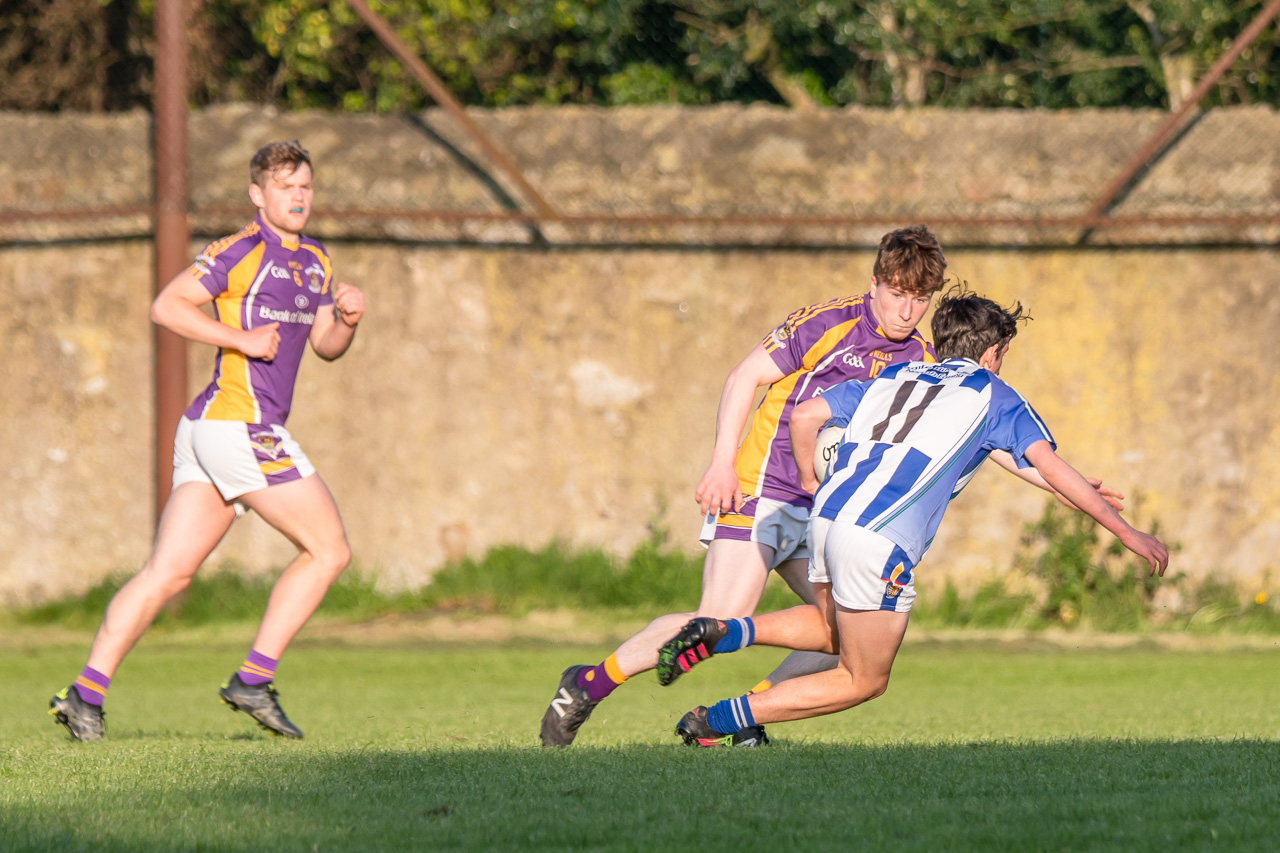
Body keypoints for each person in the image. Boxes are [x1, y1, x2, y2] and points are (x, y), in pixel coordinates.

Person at [653, 289, 1169, 745]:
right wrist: (1125, 531)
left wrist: (811, 480)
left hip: (829, 516)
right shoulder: (992, 392)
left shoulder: (894, 374)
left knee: (833, 631)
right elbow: (1049, 466)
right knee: (863, 678)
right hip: (878, 535)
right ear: (993, 352)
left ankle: (726, 630)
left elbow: (806, 415)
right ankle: (717, 719)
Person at [538, 226, 952, 748]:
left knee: (843, 632)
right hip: (765, 487)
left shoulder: (921, 360)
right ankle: (585, 684)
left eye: (920, 300)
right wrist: (721, 464)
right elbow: (743, 377)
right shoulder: (826, 324)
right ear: (874, 284)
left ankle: (742, 714)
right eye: (898, 295)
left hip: (828, 509)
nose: (907, 311)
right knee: (720, 619)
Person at [49, 141, 366, 742]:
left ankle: (84, 697)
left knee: (168, 573)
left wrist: (346, 318)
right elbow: (167, 306)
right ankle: (253, 678)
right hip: (239, 425)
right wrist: (239, 340)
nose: (298, 197)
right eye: (284, 187)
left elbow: (324, 345)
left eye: (305, 186)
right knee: (330, 551)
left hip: (212, 431)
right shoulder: (238, 250)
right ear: (258, 195)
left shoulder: (317, 261)